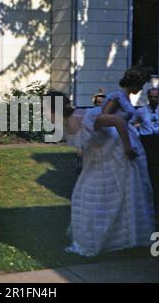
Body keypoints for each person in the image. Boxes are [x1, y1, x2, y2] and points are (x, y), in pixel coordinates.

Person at [61, 66, 155, 256]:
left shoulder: (126, 98)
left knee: (132, 187)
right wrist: (126, 145)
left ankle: (130, 232)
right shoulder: (116, 96)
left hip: (126, 138)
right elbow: (105, 118)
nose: (141, 88)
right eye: (141, 84)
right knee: (118, 185)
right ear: (134, 83)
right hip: (116, 143)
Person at [132, 87, 159, 216]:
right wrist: (138, 133)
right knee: (148, 167)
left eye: (156, 97)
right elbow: (131, 123)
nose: (154, 99)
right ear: (148, 98)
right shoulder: (141, 111)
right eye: (152, 97)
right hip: (147, 141)